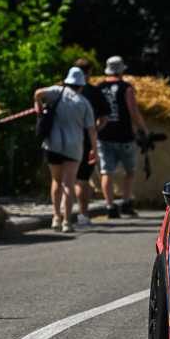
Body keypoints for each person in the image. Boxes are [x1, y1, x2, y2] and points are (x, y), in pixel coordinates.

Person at [34, 66, 98, 234]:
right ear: (81, 85)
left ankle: (56, 217)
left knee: (56, 181)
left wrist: (38, 106)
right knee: (68, 184)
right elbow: (91, 130)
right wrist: (94, 149)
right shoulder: (84, 103)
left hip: (53, 144)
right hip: (74, 146)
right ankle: (67, 221)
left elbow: (38, 93)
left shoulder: (57, 92)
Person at [97, 56, 149, 218]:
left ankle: (109, 205)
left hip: (104, 134)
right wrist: (144, 129)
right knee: (130, 171)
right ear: (121, 70)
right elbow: (133, 111)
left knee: (107, 171)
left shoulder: (99, 87)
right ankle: (126, 202)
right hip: (124, 135)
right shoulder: (126, 88)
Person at [72, 57, 108, 227]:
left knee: (62, 181)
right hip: (86, 141)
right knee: (82, 179)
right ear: (89, 72)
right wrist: (93, 132)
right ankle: (83, 215)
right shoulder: (94, 92)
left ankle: (60, 217)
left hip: (61, 141)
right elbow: (104, 118)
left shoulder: (61, 91)